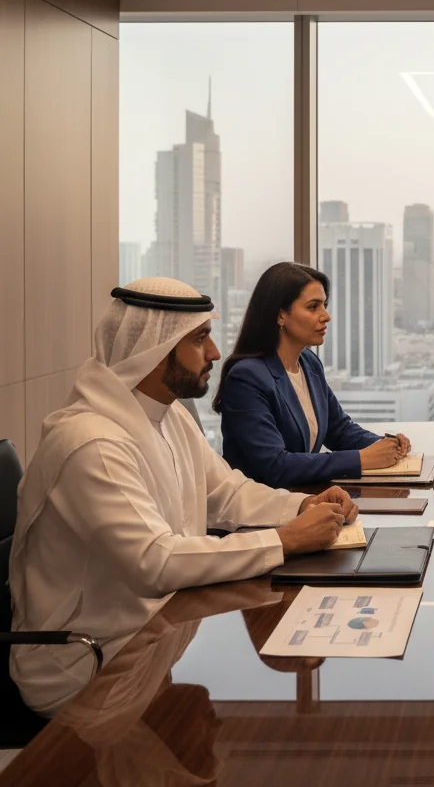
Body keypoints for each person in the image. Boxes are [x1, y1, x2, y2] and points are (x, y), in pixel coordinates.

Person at [9, 278, 359, 717]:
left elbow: (226, 493)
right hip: (89, 662)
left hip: (155, 632)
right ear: (155, 350)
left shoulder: (168, 415)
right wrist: (285, 540)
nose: (214, 353)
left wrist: (303, 507)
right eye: (199, 339)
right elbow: (154, 562)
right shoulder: (92, 442)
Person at [215, 262, 412, 488]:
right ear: (280, 315)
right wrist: (361, 460)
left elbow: (339, 430)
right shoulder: (247, 378)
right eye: (313, 307)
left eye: (324, 305)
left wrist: (386, 445)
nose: (326, 316)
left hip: (304, 499)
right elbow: (276, 466)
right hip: (260, 511)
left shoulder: (309, 363)